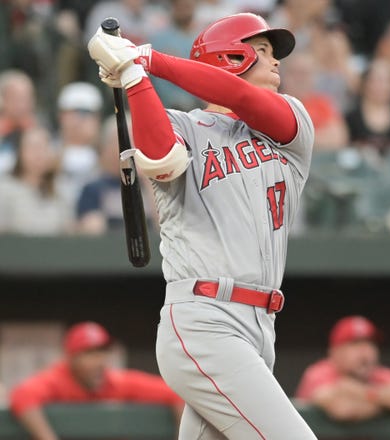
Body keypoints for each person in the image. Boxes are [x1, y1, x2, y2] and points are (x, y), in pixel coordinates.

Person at [88, 12, 317, 439]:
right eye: (263, 50)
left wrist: (146, 58)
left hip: (260, 327)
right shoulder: (183, 125)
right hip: (204, 320)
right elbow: (160, 160)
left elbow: (240, 98)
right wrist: (134, 75)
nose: (276, 62)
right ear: (230, 55)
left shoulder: (292, 121)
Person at [9, 321, 183, 440]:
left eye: (102, 351)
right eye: (89, 353)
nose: (98, 360)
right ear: (71, 357)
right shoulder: (58, 378)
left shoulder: (114, 380)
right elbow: (22, 395)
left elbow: (176, 393)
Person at [296, 316, 390, 421]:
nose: (365, 351)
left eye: (369, 343)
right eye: (355, 344)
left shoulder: (378, 374)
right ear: (334, 352)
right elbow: (344, 409)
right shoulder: (319, 373)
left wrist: (364, 393)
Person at [76, 116, 156, 235]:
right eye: (129, 142)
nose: (134, 149)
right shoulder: (93, 188)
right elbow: (90, 229)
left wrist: (146, 179)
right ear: (108, 147)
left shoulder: (151, 186)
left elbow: (164, 226)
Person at [0, 126, 74, 236]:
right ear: (20, 153)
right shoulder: (4, 189)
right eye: (32, 147)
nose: (38, 154)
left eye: (43, 147)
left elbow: (69, 232)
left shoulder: (60, 190)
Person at [345, 59, 390, 154]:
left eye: (387, 81)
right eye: (376, 80)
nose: (382, 86)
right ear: (364, 83)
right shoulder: (351, 117)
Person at [280, 51, 349, 150]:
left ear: (314, 77)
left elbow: (339, 138)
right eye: (295, 73)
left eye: (305, 73)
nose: (300, 79)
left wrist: (298, 139)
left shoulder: (322, 103)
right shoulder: (276, 101)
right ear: (284, 75)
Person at [55, 82, 103, 206]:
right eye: (73, 113)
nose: (79, 120)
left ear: (97, 119)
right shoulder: (49, 150)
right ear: (61, 117)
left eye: (86, 113)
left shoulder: (106, 153)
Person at [150, 0, 203, 111]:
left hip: (199, 102)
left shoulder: (202, 38)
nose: (183, 10)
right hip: (168, 104)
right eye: (179, 5)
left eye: (187, 6)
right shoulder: (160, 38)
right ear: (173, 8)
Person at [0, 69, 38, 174]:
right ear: (3, 99)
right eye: (16, 98)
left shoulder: (39, 131)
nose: (22, 105)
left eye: (27, 98)